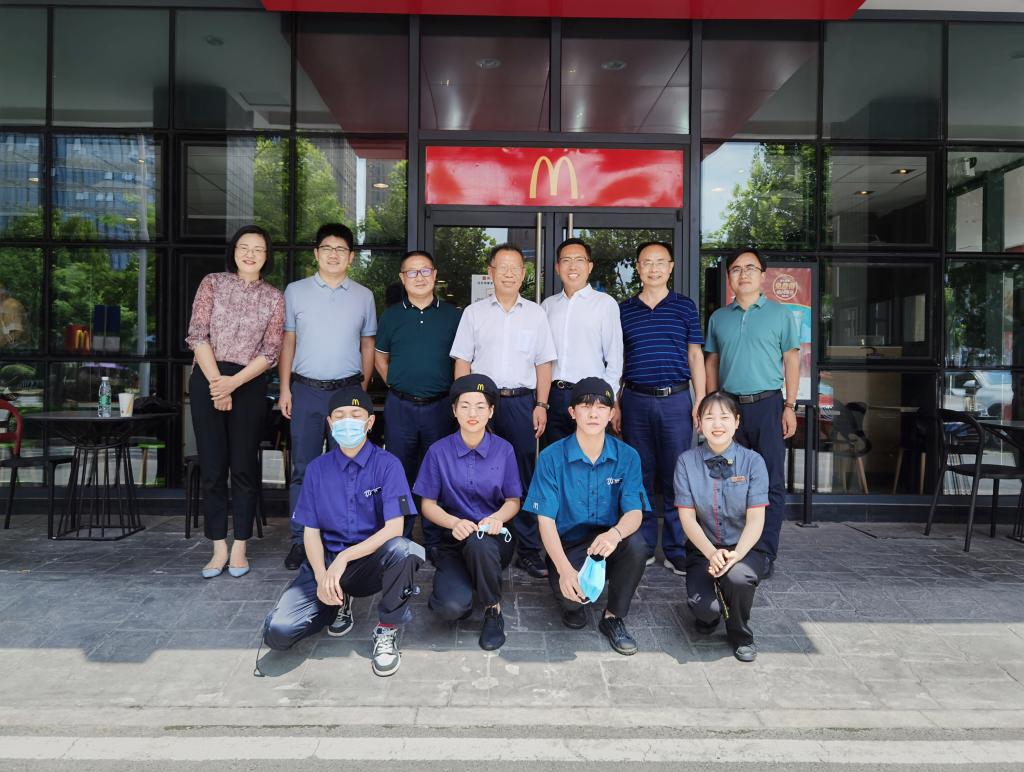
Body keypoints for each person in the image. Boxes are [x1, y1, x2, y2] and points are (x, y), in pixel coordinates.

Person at [262, 386, 425, 677]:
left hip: (368, 564)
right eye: (339, 415)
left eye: (355, 414)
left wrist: (345, 557)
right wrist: (322, 577)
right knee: (278, 633)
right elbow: (310, 531)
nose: (347, 421)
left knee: (405, 550)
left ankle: (386, 629)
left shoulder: (388, 465)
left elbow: (394, 528)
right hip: (326, 563)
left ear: (370, 422)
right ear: (329, 422)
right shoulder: (317, 469)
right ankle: (335, 603)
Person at [450, 243, 556, 580]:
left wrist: (541, 404)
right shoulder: (474, 313)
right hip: (482, 403)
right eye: (502, 267)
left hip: (522, 403)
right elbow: (462, 361)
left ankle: (528, 549)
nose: (509, 274)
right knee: (476, 468)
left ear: (523, 274)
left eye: (515, 268)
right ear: (491, 272)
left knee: (523, 474)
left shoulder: (536, 314)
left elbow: (544, 364)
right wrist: (464, 404)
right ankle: (474, 538)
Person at [185, 224, 284, 579]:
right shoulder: (213, 283)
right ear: (234, 250)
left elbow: (270, 352)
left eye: (258, 248)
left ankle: (240, 544)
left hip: (249, 383)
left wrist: (234, 384)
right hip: (208, 378)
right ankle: (218, 547)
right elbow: (197, 335)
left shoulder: (274, 297)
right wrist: (218, 385)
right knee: (213, 468)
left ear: (266, 256)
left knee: (243, 466)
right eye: (244, 247)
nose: (250, 254)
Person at [524, 377, 649, 656]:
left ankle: (613, 616)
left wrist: (615, 534)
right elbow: (545, 520)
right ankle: (571, 596)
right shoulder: (551, 457)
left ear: (611, 413)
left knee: (637, 544)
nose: (593, 414)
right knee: (573, 603)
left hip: (608, 543)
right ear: (572, 412)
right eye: (585, 406)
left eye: (602, 407)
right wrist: (565, 570)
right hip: (569, 547)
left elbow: (635, 511)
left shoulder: (627, 456)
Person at [278, 223, 376, 571]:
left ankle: (342, 537)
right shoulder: (295, 291)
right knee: (303, 468)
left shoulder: (363, 295)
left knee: (347, 467)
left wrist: (361, 391)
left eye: (341, 249)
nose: (334, 254)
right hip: (305, 390)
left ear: (351, 257)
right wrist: (285, 388)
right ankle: (299, 540)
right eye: (327, 248)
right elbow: (288, 342)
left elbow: (368, 345)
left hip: (347, 392)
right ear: (316, 253)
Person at [704, 247, 800, 570]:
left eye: (750, 268)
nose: (743, 274)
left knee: (770, 481)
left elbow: (792, 360)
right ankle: (733, 547)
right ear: (728, 277)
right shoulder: (719, 318)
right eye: (736, 269)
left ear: (762, 275)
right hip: (730, 409)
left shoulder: (780, 314)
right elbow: (712, 362)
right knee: (730, 479)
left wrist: (789, 405)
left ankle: (765, 552)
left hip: (768, 405)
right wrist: (712, 406)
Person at [615, 241, 706, 576]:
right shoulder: (623, 310)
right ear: (638, 268)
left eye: (659, 262)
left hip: (676, 400)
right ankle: (642, 544)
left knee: (676, 475)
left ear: (670, 267)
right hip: (635, 400)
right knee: (639, 474)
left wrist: (701, 399)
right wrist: (616, 403)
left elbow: (695, 355)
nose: (653, 269)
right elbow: (619, 360)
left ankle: (676, 548)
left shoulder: (685, 306)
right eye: (646, 262)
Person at [414, 374, 521, 650]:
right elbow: (427, 505)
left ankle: (493, 609)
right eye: (465, 406)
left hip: (494, 540)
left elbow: (513, 500)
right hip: (454, 540)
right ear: (454, 410)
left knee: (479, 544)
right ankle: (466, 582)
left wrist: (497, 518)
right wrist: (453, 522)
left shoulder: (504, 450)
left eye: (480, 406)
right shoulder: (438, 452)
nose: (472, 414)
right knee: (450, 607)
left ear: (491, 411)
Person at [375, 250, 461, 548]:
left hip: (440, 406)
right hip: (400, 407)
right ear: (403, 278)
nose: (419, 277)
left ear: (435, 275)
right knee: (400, 472)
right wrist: (398, 384)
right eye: (412, 272)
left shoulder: (453, 316)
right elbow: (380, 359)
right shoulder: (391, 316)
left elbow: (462, 361)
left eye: (425, 271)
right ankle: (402, 535)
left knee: (437, 472)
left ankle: (435, 538)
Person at [674, 391, 769, 662]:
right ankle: (711, 611)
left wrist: (736, 555)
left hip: (743, 548)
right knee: (706, 611)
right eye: (709, 417)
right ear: (699, 423)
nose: (717, 424)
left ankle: (741, 634)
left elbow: (756, 520)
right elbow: (687, 519)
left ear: (736, 422)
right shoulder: (686, 462)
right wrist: (711, 553)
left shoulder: (753, 462)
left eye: (725, 417)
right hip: (703, 548)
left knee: (738, 578)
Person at [541, 238, 622, 444]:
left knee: (589, 454)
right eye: (566, 260)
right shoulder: (548, 306)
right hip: (554, 396)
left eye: (579, 260)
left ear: (590, 266)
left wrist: (608, 398)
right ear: (557, 267)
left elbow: (614, 357)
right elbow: (541, 357)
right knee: (556, 454)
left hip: (591, 397)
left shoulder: (605, 304)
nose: (572, 266)